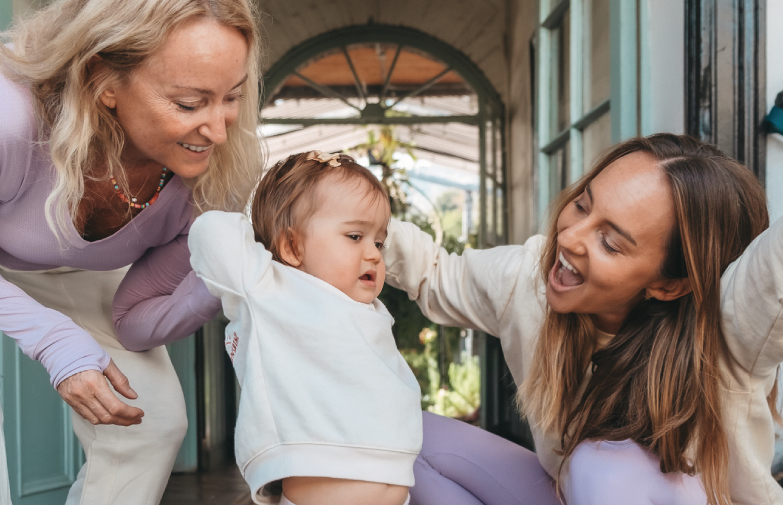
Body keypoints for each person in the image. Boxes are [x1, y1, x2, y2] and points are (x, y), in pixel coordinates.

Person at [0, 0, 263, 503]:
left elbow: (132, 324)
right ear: (103, 81)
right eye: (189, 103)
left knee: (151, 419)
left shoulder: (217, 177)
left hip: (67, 267)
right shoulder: (0, 112)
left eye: (232, 96)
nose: (219, 130)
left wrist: (220, 281)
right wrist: (53, 340)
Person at [382, 133, 780, 505]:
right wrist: (346, 215)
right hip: (568, 494)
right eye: (582, 205)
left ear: (670, 285)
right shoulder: (529, 281)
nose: (569, 238)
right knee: (400, 436)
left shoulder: (728, 330)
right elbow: (433, 270)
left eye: (609, 242)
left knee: (603, 462)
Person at [185, 151, 423, 505]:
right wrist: (256, 226)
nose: (374, 253)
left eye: (378, 242)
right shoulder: (271, 290)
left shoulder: (369, 310)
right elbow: (210, 230)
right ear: (292, 245)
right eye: (354, 236)